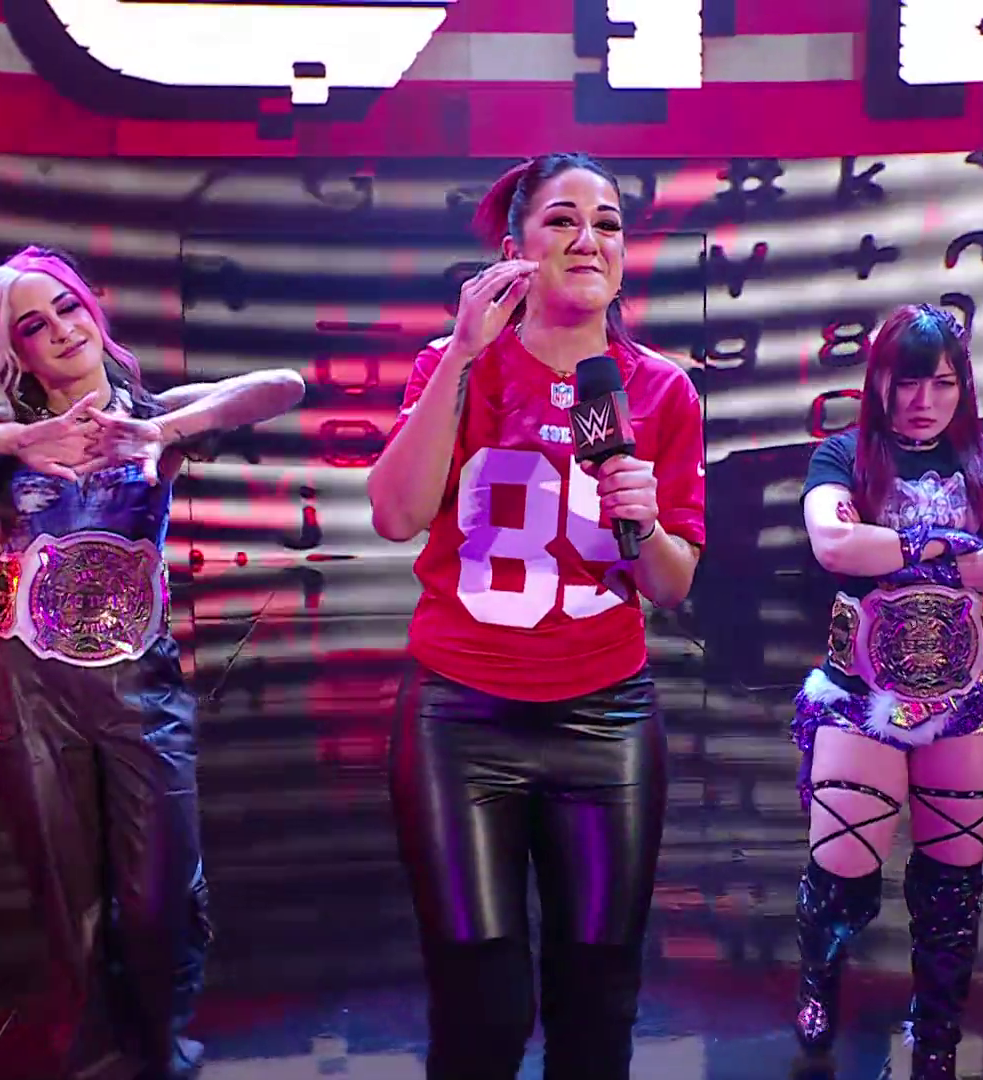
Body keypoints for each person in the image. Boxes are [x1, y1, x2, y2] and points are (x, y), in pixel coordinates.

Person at [0, 245, 306, 1080]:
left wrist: (160, 432)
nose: (60, 329)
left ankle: (160, 1042)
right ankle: (97, 1055)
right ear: (12, 352)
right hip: (27, 687)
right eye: (32, 325)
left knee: (159, 893)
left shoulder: (156, 416)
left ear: (93, 310)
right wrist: (17, 437)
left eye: (67, 306)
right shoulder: (5, 431)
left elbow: (285, 385)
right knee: (68, 894)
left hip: (140, 685)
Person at [365, 153, 707, 1079]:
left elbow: (672, 585)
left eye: (608, 223)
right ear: (514, 249)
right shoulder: (456, 367)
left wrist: (644, 524)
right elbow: (395, 516)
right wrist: (461, 353)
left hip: (607, 718)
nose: (588, 239)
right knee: (482, 1003)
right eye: (561, 219)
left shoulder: (661, 390)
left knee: (598, 1001)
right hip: (460, 717)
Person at [787, 304, 983, 1079]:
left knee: (952, 888)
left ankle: (937, 1037)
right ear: (879, 382)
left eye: (943, 383)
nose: (925, 400)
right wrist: (953, 545)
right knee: (842, 874)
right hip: (859, 696)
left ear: (963, 386)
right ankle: (819, 974)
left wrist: (903, 554)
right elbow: (836, 544)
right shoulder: (843, 455)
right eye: (908, 382)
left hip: (966, 699)